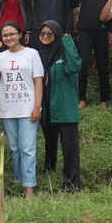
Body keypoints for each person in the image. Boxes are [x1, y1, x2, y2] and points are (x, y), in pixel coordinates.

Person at [0, 22, 43, 199]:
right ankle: (19, 180)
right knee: (15, 149)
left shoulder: (32, 54)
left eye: (12, 34)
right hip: (8, 109)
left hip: (28, 109)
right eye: (5, 35)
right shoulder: (1, 56)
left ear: (20, 34)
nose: (9, 38)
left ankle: (29, 188)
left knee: (27, 148)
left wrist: (37, 106)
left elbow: (38, 81)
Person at [37, 20, 81, 190]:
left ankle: (71, 183)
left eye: (50, 33)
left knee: (69, 147)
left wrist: (67, 40)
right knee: (50, 142)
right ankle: (49, 171)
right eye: (42, 34)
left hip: (64, 107)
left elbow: (75, 66)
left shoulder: (65, 53)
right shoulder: (39, 54)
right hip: (47, 106)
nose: (46, 37)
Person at [72, 0, 112, 108]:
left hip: (102, 31)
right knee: (82, 64)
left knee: (103, 64)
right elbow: (73, 3)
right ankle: (82, 99)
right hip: (84, 31)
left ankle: (104, 100)